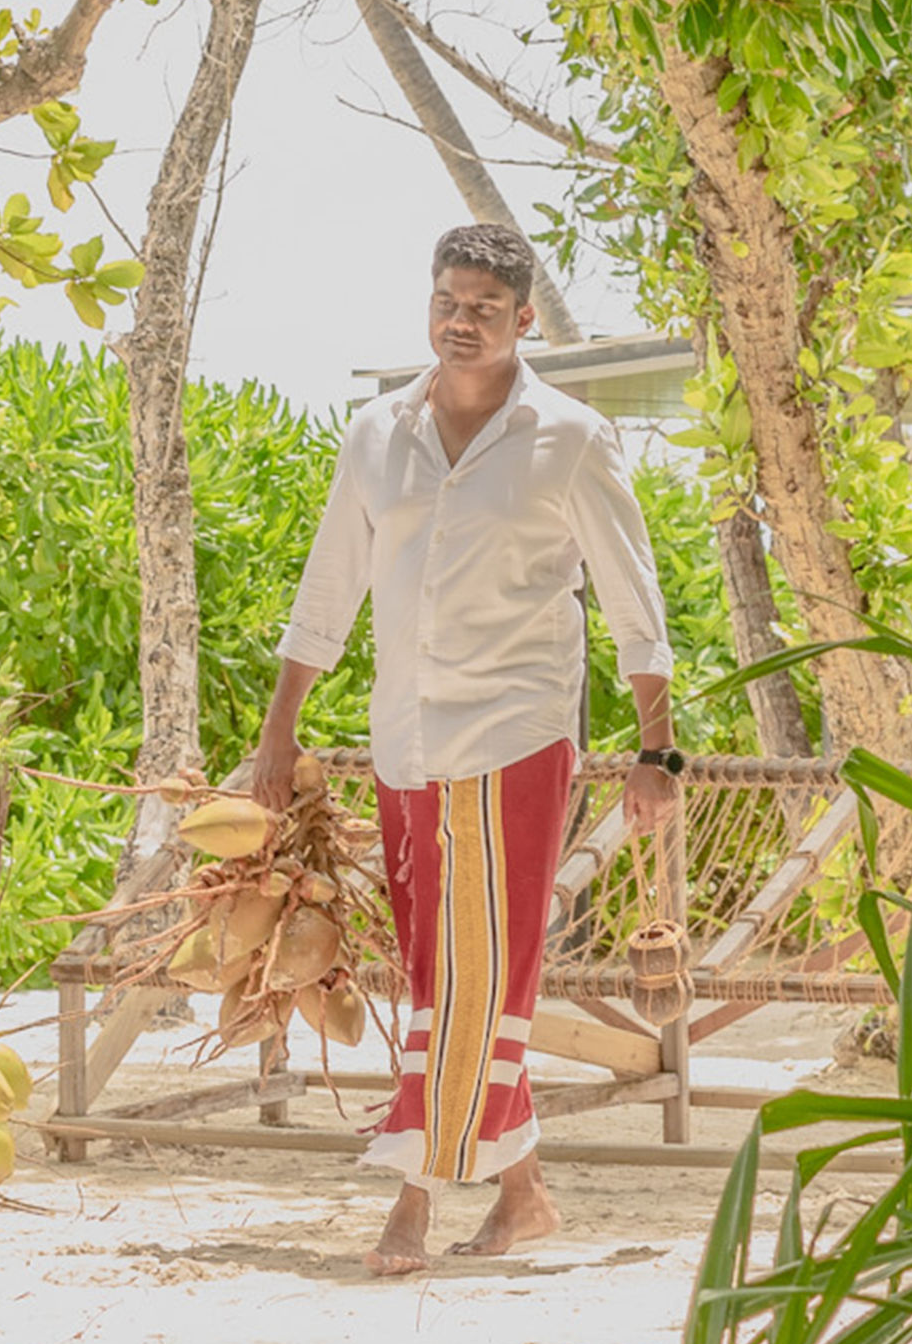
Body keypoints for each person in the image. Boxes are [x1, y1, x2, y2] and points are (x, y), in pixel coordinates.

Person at [244, 224, 682, 1278]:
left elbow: (631, 597)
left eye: (485, 307)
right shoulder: (376, 434)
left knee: (480, 979)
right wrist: (279, 725)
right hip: (407, 736)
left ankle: (412, 1200)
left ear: (525, 319)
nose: (461, 320)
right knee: (445, 974)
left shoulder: (569, 436)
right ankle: (523, 1196)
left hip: (519, 733)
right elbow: (328, 587)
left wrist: (655, 748)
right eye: (448, 300)